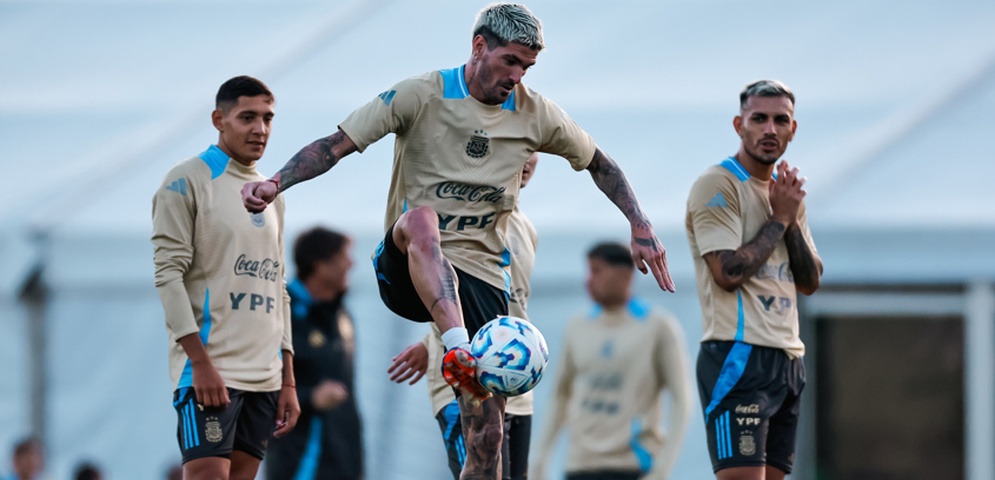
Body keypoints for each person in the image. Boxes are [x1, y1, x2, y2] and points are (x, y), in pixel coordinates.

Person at [241, 4, 675, 478]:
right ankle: (456, 349)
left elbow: (600, 163)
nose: (517, 76)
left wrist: (640, 224)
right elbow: (334, 145)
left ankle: (462, 365)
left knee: (488, 440)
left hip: (483, 279)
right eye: (510, 61)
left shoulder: (536, 113)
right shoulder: (419, 95)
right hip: (408, 264)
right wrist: (276, 182)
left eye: (527, 67)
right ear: (478, 46)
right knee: (423, 219)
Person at [152, 75, 300, 480]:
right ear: (219, 119)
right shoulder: (186, 180)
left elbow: (278, 288)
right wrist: (199, 363)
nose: (261, 129)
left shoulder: (273, 192)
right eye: (247, 117)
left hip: (266, 378)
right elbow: (168, 276)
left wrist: (287, 379)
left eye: (268, 118)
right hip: (210, 370)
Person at [685, 79, 823, 480]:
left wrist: (790, 218)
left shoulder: (786, 194)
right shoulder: (719, 183)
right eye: (758, 119)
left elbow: (810, 281)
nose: (770, 130)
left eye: (781, 120)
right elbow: (727, 273)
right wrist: (780, 218)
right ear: (738, 125)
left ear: (793, 129)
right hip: (739, 354)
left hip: (788, 358)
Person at [388, 153, 540, 480]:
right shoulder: (457, 221)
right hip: (465, 380)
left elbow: (508, 307)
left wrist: (429, 342)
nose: (525, 160)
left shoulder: (527, 229)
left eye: (532, 149)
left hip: (517, 386)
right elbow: (444, 291)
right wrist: (437, 340)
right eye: (516, 149)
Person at [531, 242, 693, 480]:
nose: (588, 280)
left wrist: (661, 470)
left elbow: (682, 398)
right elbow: (560, 395)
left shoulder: (658, 326)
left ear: (624, 275)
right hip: (580, 466)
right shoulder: (578, 326)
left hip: (633, 467)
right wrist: (539, 460)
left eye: (596, 271)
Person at [265, 227, 364, 480]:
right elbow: (257, 390)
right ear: (320, 265)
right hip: (299, 460)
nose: (352, 264)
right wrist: (311, 397)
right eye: (344, 257)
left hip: (346, 457)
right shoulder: (280, 314)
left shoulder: (342, 315)